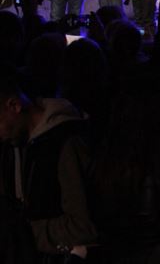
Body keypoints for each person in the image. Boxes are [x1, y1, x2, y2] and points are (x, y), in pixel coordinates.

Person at [0, 69, 98, 260]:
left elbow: (83, 226)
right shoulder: (12, 144)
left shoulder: (66, 143)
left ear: (14, 105)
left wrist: (20, 234)